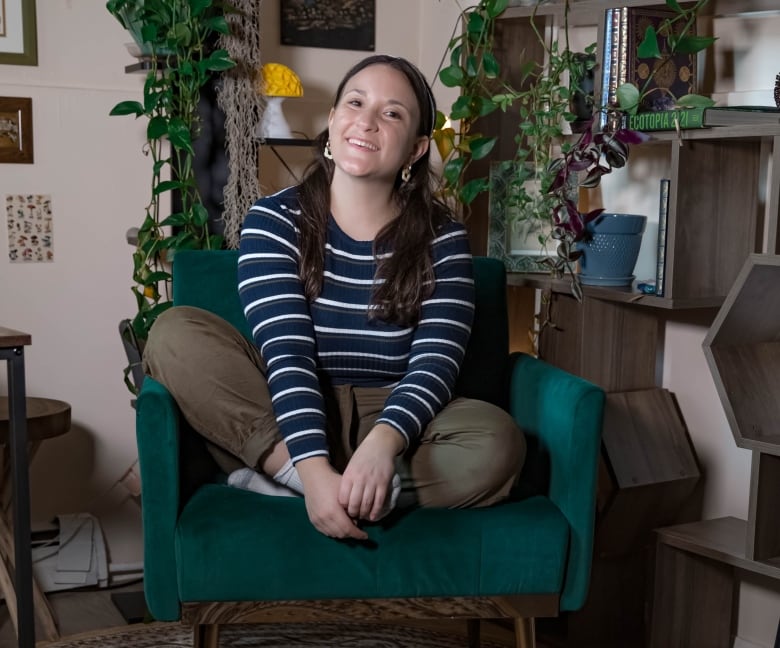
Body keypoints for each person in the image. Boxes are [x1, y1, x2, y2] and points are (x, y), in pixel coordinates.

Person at [143, 54, 526, 541]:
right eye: (356, 102)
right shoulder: (273, 220)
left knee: (498, 443)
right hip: (285, 412)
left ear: (416, 149)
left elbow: (436, 363)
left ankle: (301, 485)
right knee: (174, 333)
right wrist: (310, 466)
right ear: (332, 122)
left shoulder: (443, 237)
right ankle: (306, 481)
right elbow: (288, 353)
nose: (366, 121)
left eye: (392, 113)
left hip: (392, 416)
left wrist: (384, 445)